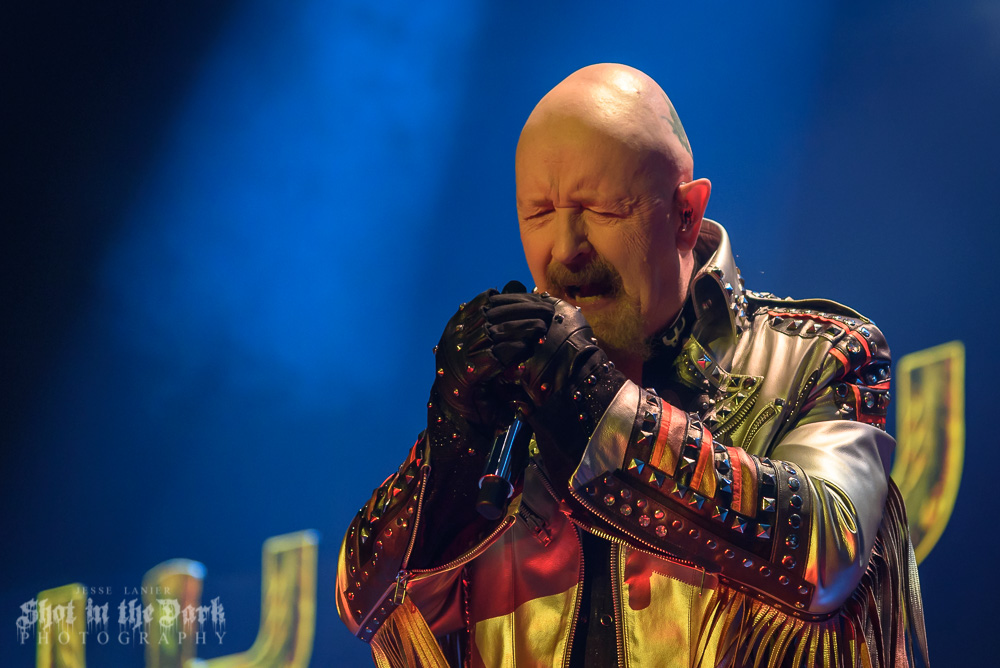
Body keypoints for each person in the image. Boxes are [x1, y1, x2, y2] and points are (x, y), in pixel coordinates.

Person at [335, 63, 928, 667]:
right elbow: (366, 606)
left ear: (686, 214)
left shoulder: (820, 353)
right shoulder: (512, 401)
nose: (565, 250)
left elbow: (829, 553)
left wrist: (604, 416)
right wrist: (452, 451)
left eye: (604, 210)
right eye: (539, 213)